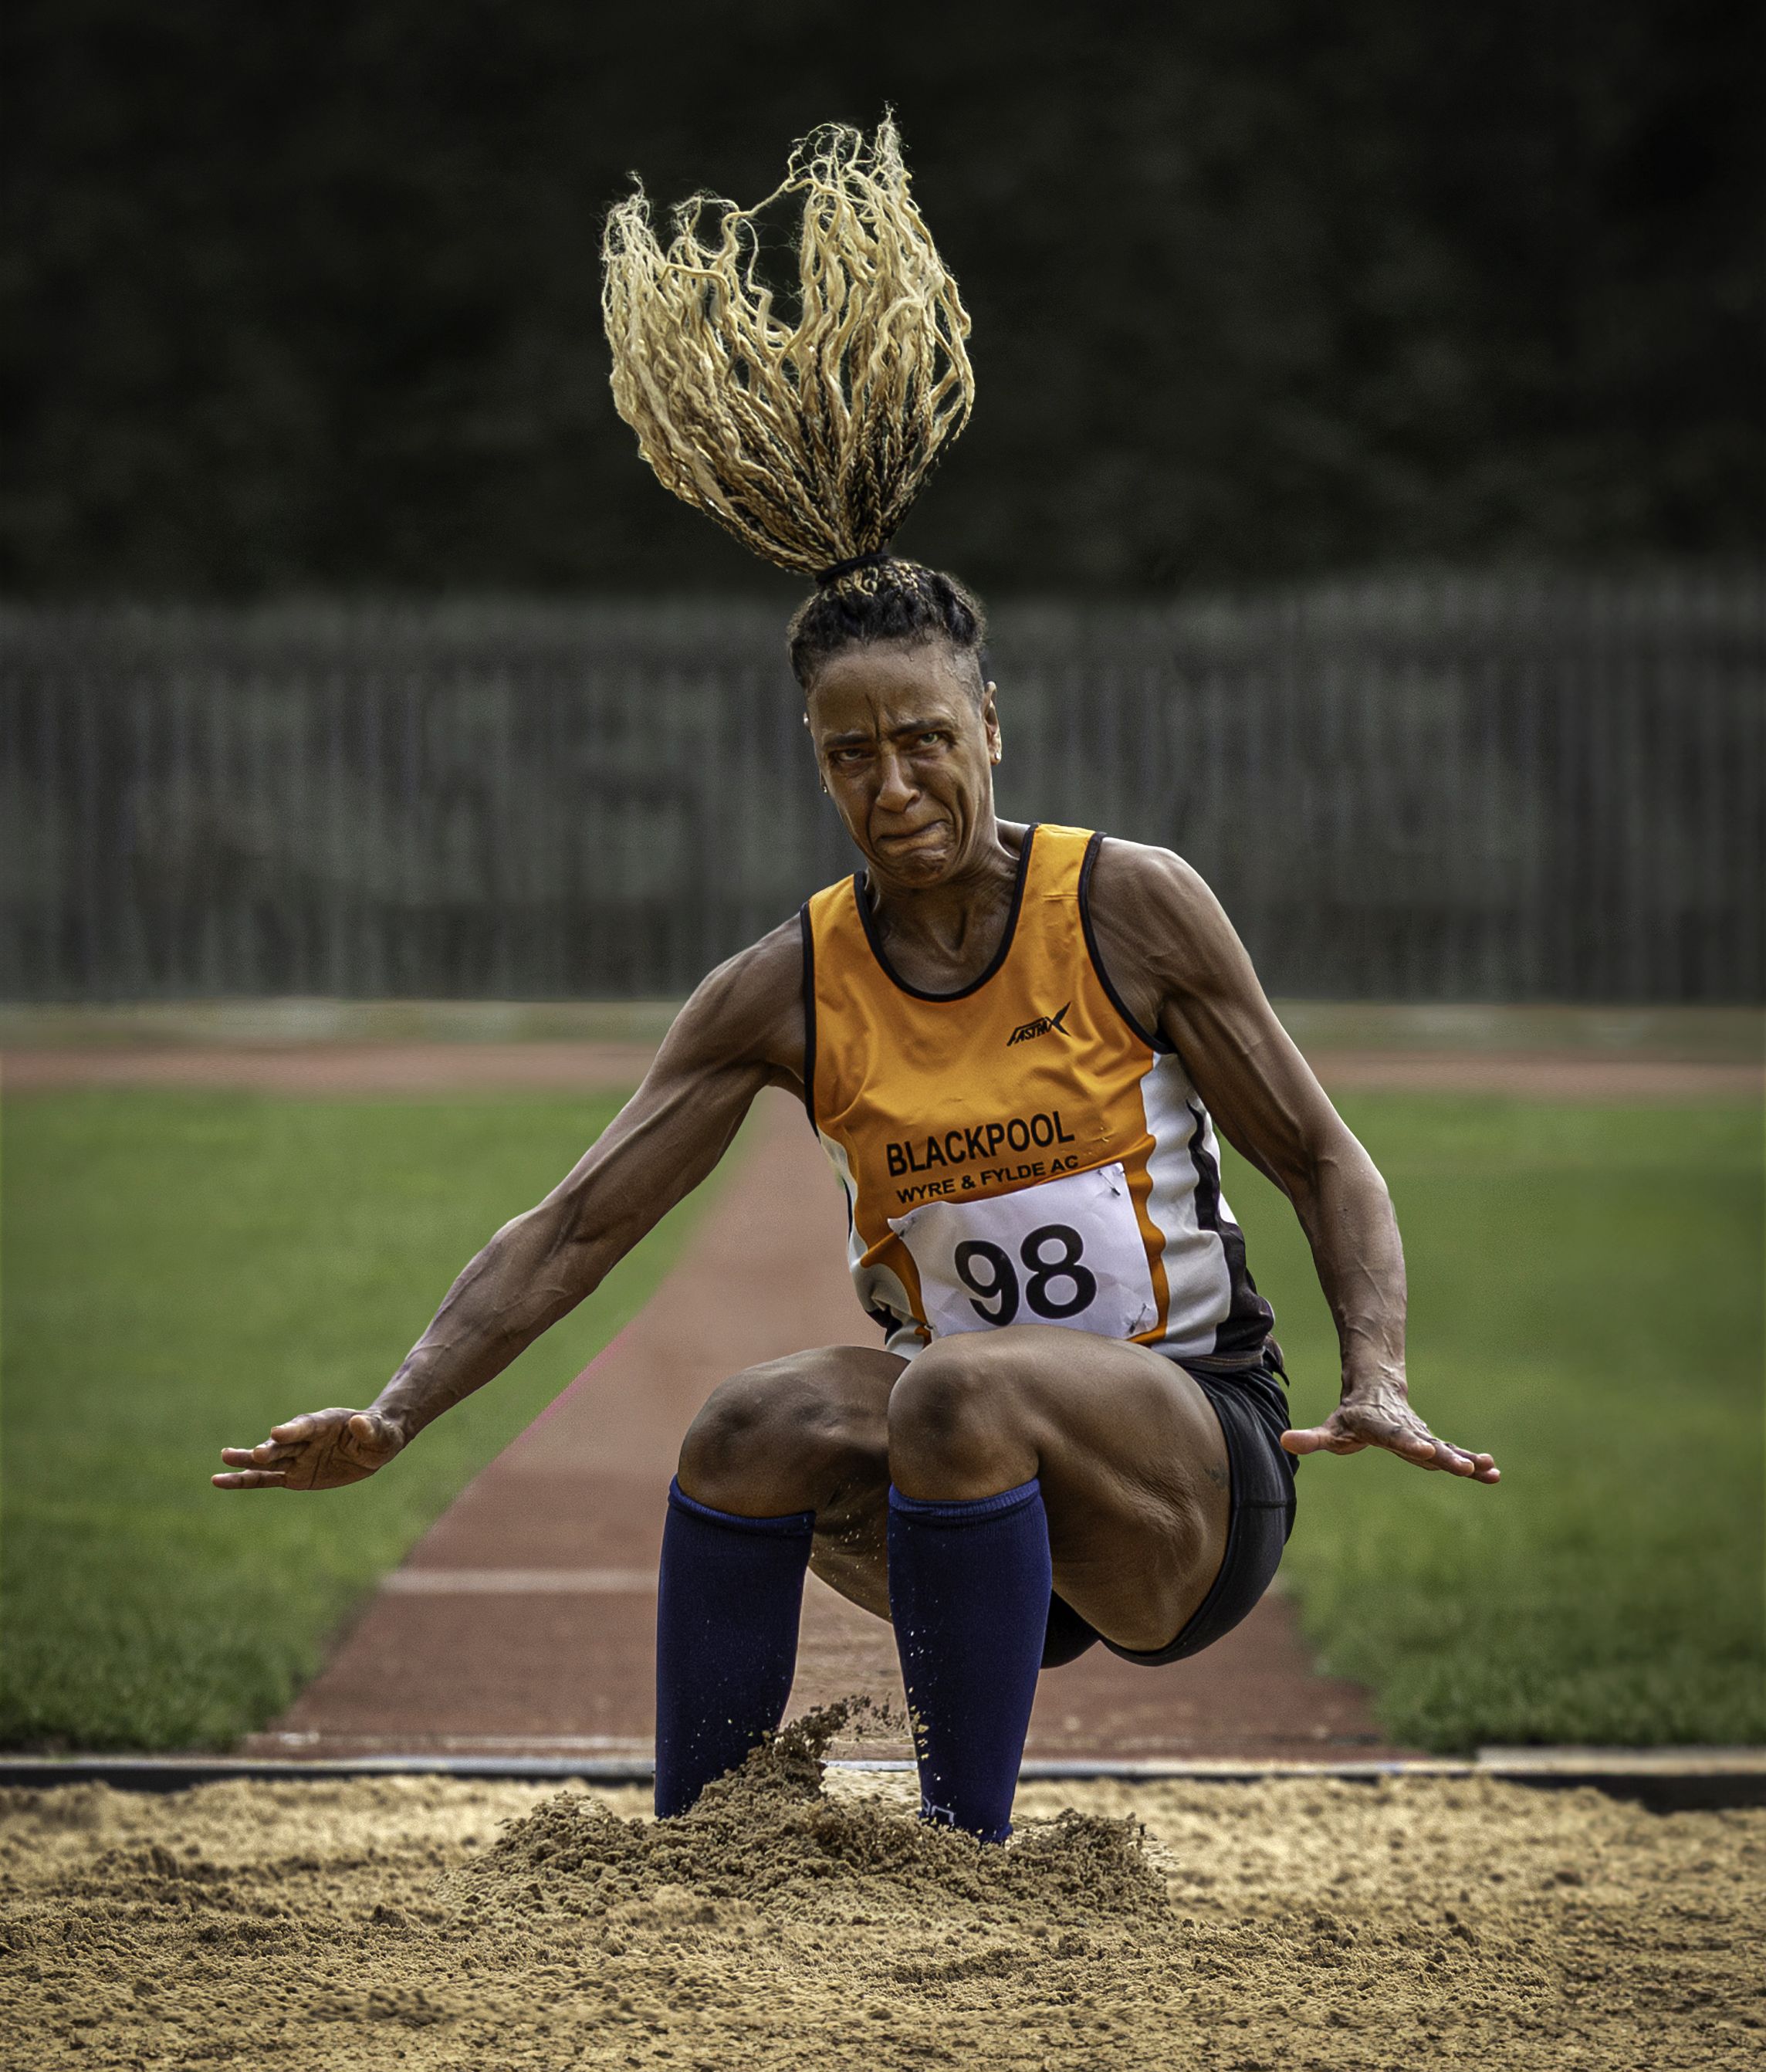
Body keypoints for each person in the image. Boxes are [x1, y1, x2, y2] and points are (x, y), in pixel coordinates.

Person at [215, 120, 1497, 1841]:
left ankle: (967, 1853)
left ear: (990, 729)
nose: (892, 787)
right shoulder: (786, 987)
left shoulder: (1127, 907)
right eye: (850, 756)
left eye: (923, 742)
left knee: (961, 1383)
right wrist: (394, 1412)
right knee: (746, 1423)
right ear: (814, 763)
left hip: (1187, 1475)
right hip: (965, 1503)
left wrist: (1378, 1373)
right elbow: (576, 1226)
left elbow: (1322, 1156)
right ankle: (705, 1842)